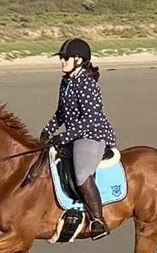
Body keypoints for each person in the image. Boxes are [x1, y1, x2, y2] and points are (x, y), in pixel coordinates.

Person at [40, 38, 116, 240]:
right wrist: (47, 132)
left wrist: (63, 137)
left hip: (92, 135)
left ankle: (98, 221)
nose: (62, 61)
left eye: (65, 58)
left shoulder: (87, 84)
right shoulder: (66, 82)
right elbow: (60, 113)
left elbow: (90, 120)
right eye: (61, 58)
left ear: (79, 60)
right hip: (74, 135)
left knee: (81, 175)